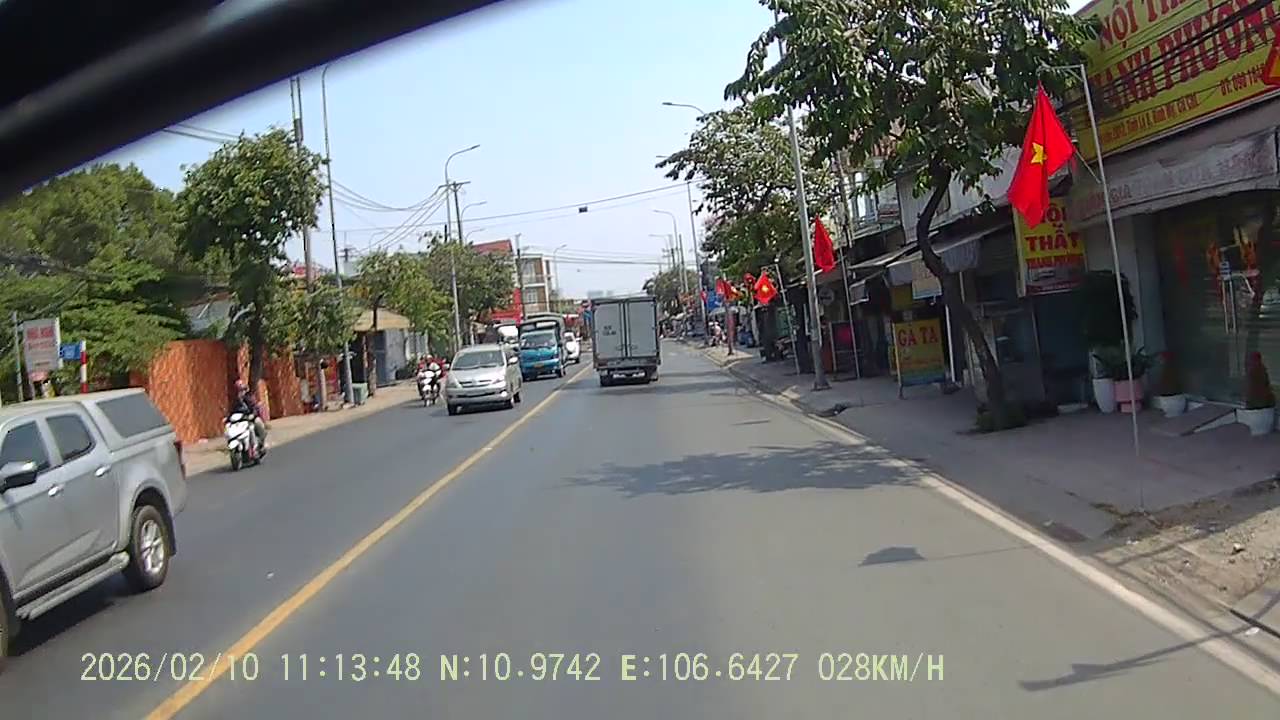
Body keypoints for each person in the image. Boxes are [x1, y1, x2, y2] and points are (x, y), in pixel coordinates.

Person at [231, 379, 267, 448]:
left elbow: (254, 406)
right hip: (241, 420)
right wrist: (229, 418)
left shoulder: (249, 397)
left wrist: (253, 414)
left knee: (258, 423)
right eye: (239, 390)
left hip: (251, 418)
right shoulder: (235, 401)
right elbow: (233, 411)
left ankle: (261, 442)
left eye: (242, 390)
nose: (241, 392)